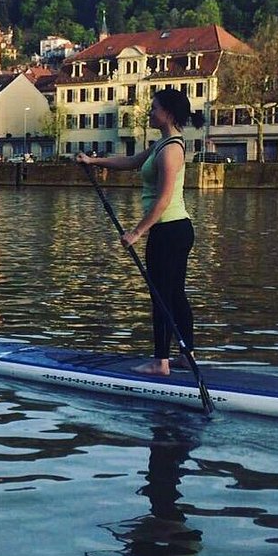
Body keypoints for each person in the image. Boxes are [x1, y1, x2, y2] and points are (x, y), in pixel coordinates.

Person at [77, 89, 206, 376]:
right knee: (173, 294)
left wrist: (136, 232)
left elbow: (163, 199)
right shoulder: (161, 144)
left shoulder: (172, 149)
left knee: (162, 295)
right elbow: (131, 162)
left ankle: (161, 362)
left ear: (168, 114)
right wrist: (94, 162)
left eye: (154, 108)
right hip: (174, 230)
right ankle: (187, 356)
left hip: (169, 231)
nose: (149, 112)